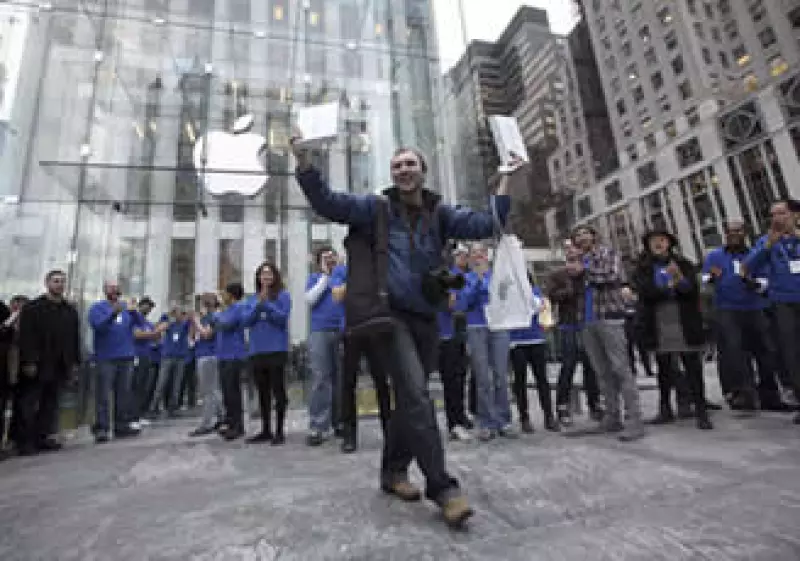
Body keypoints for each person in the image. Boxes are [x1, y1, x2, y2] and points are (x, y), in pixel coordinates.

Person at [292, 134, 517, 527]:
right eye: (397, 165)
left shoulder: (440, 214)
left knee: (407, 401)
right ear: (392, 174)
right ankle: (443, 487)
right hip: (387, 316)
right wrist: (305, 163)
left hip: (426, 319)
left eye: (410, 164)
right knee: (416, 394)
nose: (403, 170)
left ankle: (392, 471)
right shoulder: (375, 208)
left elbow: (489, 224)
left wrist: (506, 178)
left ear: (422, 171)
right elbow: (328, 202)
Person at [703, 220, 787, 412]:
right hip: (727, 309)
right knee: (734, 353)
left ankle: (770, 396)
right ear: (725, 234)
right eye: (730, 231)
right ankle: (742, 394)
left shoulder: (754, 254)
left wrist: (756, 284)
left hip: (755, 306)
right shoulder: (715, 256)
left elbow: (767, 278)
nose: (734, 234)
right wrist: (712, 278)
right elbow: (704, 280)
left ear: (745, 233)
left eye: (738, 231)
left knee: (765, 352)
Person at [571, 225, 644, 441]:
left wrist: (584, 271)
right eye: (577, 235)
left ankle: (635, 420)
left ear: (594, 236)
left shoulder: (607, 253)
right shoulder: (576, 260)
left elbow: (612, 276)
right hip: (586, 319)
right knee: (601, 371)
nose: (582, 237)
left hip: (609, 316)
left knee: (620, 368)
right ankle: (612, 416)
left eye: (585, 233)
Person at [633, 231, 712, 430]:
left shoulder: (684, 263)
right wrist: (669, 288)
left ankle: (701, 411)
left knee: (693, 367)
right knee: (664, 368)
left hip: (683, 319)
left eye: (662, 240)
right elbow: (646, 293)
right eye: (653, 241)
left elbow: (691, 290)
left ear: (669, 243)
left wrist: (679, 281)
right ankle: (665, 408)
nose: (658, 244)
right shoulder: (644, 268)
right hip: (659, 321)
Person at [742, 199, 800, 425]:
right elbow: (747, 267)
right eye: (773, 214)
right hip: (783, 303)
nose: (777, 218)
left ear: (794, 215)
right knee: (792, 354)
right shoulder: (766, 242)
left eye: (782, 213)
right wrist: (767, 246)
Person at [16, 271, 82, 454]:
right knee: (29, 404)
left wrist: (74, 363)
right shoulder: (32, 308)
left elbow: (74, 338)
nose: (59, 285)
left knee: (50, 403)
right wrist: (28, 361)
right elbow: (26, 337)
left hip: (59, 364)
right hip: (37, 363)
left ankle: (43, 437)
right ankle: (24, 441)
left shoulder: (69, 311)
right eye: (55, 281)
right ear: (47, 283)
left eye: (62, 282)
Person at [460, 242, 513, 441]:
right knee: (483, 378)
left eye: (482, 252)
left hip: (498, 327)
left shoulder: (498, 276)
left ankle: (504, 420)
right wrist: (478, 281)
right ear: (470, 258)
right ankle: (486, 421)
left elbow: (506, 298)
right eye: (474, 253)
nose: (478, 256)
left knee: (501, 375)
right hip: (476, 328)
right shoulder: (465, 278)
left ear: (488, 256)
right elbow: (463, 303)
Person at [545, 245, 601, 426]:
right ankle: (562, 406)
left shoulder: (589, 275)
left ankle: (595, 404)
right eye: (570, 259)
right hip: (568, 325)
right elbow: (551, 296)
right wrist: (568, 289)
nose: (573, 263)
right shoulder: (558, 275)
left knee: (591, 364)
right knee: (568, 365)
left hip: (587, 323)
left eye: (577, 259)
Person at [244, 262, 292, 445]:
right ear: (258, 277)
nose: (266, 277)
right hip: (257, 350)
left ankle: (279, 430)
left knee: (278, 391)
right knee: (262, 391)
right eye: (262, 274)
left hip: (276, 349)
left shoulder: (283, 295)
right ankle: (266, 429)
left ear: (275, 276)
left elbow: (281, 319)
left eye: (269, 274)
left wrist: (267, 305)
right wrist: (258, 305)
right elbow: (247, 321)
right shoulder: (252, 299)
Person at [88, 282, 143, 442]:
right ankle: (102, 427)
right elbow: (98, 326)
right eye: (110, 287)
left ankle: (122, 424)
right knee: (103, 394)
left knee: (124, 392)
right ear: (105, 290)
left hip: (126, 356)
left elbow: (140, 324)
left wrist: (134, 311)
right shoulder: (97, 308)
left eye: (116, 287)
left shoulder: (127, 308)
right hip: (106, 357)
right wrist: (112, 313)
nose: (114, 290)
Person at [305, 247, 346, 446]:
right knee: (320, 377)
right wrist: (325, 276)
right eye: (325, 258)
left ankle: (339, 422)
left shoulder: (344, 277)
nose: (330, 261)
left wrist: (338, 273)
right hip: (320, 331)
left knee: (341, 378)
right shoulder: (314, 278)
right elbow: (310, 299)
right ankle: (318, 425)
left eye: (333, 257)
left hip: (341, 329)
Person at [509, 274, 558, 433]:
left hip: (536, 340)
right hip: (516, 342)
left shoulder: (535, 292)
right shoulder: (510, 294)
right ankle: (524, 417)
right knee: (520, 381)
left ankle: (549, 416)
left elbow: (539, 306)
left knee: (542, 380)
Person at [438, 245, 472, 441]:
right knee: (450, 378)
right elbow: (450, 302)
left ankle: (458, 418)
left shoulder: (457, 276)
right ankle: (454, 421)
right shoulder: (444, 276)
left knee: (458, 376)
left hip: (455, 329)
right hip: (441, 332)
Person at [213, 283, 248, 440]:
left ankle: (237, 425)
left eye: (225, 293)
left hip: (233, 355)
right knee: (227, 392)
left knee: (233, 392)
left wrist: (215, 314)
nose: (223, 297)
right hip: (223, 355)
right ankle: (230, 422)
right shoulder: (227, 310)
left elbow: (225, 324)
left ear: (232, 295)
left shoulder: (238, 308)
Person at [189, 293, 224, 437]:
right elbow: (192, 337)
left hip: (210, 355)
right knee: (211, 390)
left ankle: (206, 423)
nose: (203, 302)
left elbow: (207, 334)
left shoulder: (215, 316)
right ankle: (222, 417)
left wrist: (196, 321)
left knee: (209, 391)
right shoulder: (203, 317)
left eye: (206, 300)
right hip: (201, 353)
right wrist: (194, 323)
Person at [148, 307, 190, 417]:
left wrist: (186, 316)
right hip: (167, 357)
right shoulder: (168, 324)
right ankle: (153, 407)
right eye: (176, 313)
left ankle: (173, 407)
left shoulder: (184, 325)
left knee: (177, 384)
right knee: (161, 382)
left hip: (180, 357)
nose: (178, 316)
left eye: (180, 314)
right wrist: (169, 320)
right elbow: (157, 329)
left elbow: (192, 321)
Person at [131, 297, 162, 427]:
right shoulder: (135, 320)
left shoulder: (147, 322)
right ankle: (131, 416)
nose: (148, 309)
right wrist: (155, 332)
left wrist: (155, 333)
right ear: (141, 305)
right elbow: (137, 335)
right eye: (147, 306)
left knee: (143, 387)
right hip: (135, 356)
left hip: (146, 356)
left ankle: (139, 414)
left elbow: (156, 337)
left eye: (150, 307)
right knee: (134, 386)